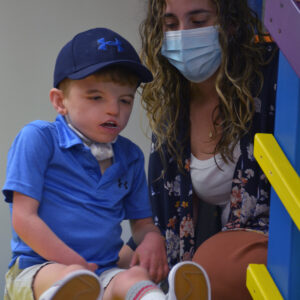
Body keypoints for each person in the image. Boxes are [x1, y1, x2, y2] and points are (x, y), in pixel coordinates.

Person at [2, 27, 211, 300]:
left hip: (103, 272)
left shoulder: (130, 156)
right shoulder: (39, 138)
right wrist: (75, 266)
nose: (114, 109)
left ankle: (160, 298)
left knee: (135, 277)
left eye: (125, 100)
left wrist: (152, 239)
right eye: (96, 97)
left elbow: (142, 224)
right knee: (67, 279)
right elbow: (23, 218)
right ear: (59, 101)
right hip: (39, 269)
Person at [123, 1, 280, 299]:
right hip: (221, 256)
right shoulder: (174, 113)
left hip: (281, 236)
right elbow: (165, 220)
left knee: (206, 266)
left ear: (230, 23)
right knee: (112, 271)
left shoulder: (272, 76)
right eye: (170, 25)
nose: (182, 35)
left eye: (198, 21)